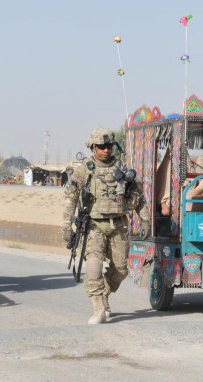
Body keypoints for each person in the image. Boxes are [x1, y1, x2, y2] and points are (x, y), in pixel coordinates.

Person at [63, 127, 149, 324]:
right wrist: (66, 227)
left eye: (109, 146)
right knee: (93, 267)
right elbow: (71, 200)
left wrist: (144, 220)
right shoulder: (84, 169)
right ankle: (98, 307)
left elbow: (138, 198)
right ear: (93, 147)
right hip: (94, 225)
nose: (106, 150)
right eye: (101, 146)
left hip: (118, 224)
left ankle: (104, 294)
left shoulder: (123, 169)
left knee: (121, 271)